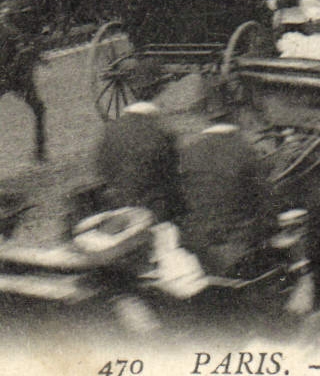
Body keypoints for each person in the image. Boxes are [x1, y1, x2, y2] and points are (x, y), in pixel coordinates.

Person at [178, 109, 274, 278]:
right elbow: (266, 200)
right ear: (235, 119)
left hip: (197, 243)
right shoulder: (244, 149)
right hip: (237, 244)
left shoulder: (189, 150)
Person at [93, 60, 182, 222]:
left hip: (118, 214)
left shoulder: (110, 130)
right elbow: (173, 180)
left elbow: (102, 171)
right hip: (154, 215)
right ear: (160, 89)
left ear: (132, 90)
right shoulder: (162, 132)